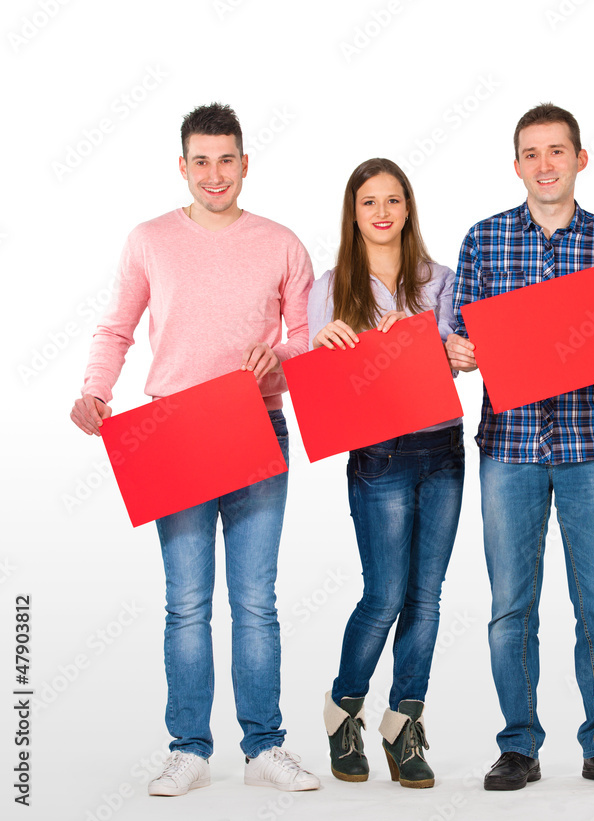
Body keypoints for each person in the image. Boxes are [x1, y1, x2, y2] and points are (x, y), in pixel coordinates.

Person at [70, 103, 319, 796]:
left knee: (256, 600)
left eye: (227, 159)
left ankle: (264, 745)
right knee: (186, 601)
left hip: (256, 425)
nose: (215, 174)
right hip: (174, 432)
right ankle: (188, 746)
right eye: (201, 161)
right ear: (183, 167)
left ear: (246, 163)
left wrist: (279, 356)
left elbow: (306, 340)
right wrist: (93, 390)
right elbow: (116, 329)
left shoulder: (283, 244)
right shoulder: (148, 240)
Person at [447, 103, 594, 791]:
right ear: (517, 166)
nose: (545, 164)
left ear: (580, 159)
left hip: (591, 442)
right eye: (532, 153)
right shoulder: (483, 241)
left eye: (557, 151)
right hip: (509, 445)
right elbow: (457, 339)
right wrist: (456, 348)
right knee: (512, 605)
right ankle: (518, 745)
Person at [309, 158, 464, 790]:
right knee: (384, 595)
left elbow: (457, 360)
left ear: (408, 208)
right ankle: (344, 709)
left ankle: (404, 726)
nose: (381, 211)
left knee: (425, 598)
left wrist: (425, 339)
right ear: (354, 211)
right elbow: (319, 377)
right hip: (379, 457)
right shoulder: (331, 284)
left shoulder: (440, 279)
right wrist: (327, 344)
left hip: (442, 450)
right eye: (369, 201)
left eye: (393, 200)